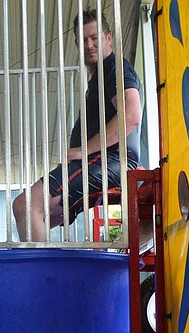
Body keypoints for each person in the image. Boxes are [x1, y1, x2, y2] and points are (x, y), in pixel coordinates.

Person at [12, 9, 143, 242]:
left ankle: (40, 267)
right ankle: (44, 263)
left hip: (109, 161)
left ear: (109, 38)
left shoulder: (115, 69)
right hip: (98, 162)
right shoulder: (99, 76)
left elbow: (131, 115)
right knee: (34, 215)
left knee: (26, 205)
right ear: (76, 44)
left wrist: (83, 151)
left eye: (95, 38)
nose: (89, 45)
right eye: (83, 40)